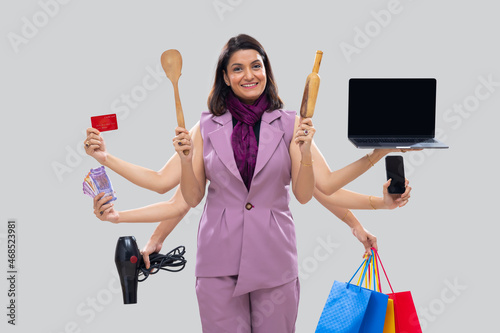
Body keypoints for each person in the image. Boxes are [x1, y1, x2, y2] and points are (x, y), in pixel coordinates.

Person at [85, 34, 412, 332]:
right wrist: (106, 159)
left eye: (256, 66)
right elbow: (172, 188)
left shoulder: (290, 124)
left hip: (275, 260)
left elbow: (317, 186)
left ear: (266, 71)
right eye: (237, 69)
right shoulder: (206, 128)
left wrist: (363, 213)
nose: (249, 75)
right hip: (217, 263)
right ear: (225, 78)